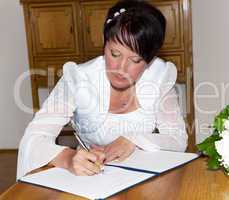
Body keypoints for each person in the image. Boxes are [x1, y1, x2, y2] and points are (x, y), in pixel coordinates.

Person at [17, 0, 187, 179]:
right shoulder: (79, 78)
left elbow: (177, 139)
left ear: (149, 61)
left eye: (135, 60)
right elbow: (33, 139)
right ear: (104, 45)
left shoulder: (159, 77)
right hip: (92, 175)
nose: (121, 67)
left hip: (143, 176)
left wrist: (134, 140)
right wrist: (68, 158)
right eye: (115, 54)